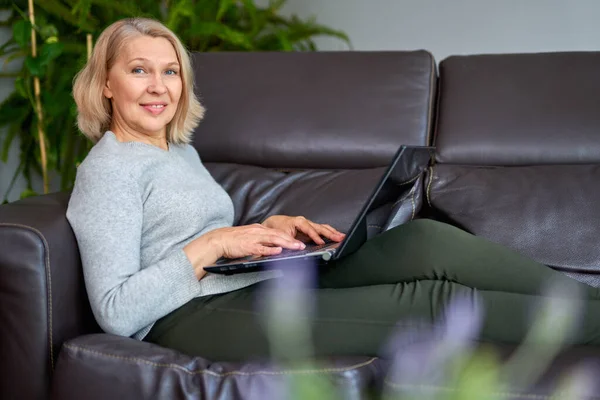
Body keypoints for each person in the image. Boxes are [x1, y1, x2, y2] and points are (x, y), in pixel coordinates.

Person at [67, 17, 600, 362]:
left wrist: (267, 229)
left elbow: (192, 226)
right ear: (107, 84)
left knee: (424, 241)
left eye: (171, 71)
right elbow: (115, 310)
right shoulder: (108, 170)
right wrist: (211, 248)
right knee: (434, 303)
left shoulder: (177, 151)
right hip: (186, 318)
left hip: (246, 281)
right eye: (140, 70)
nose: (160, 86)